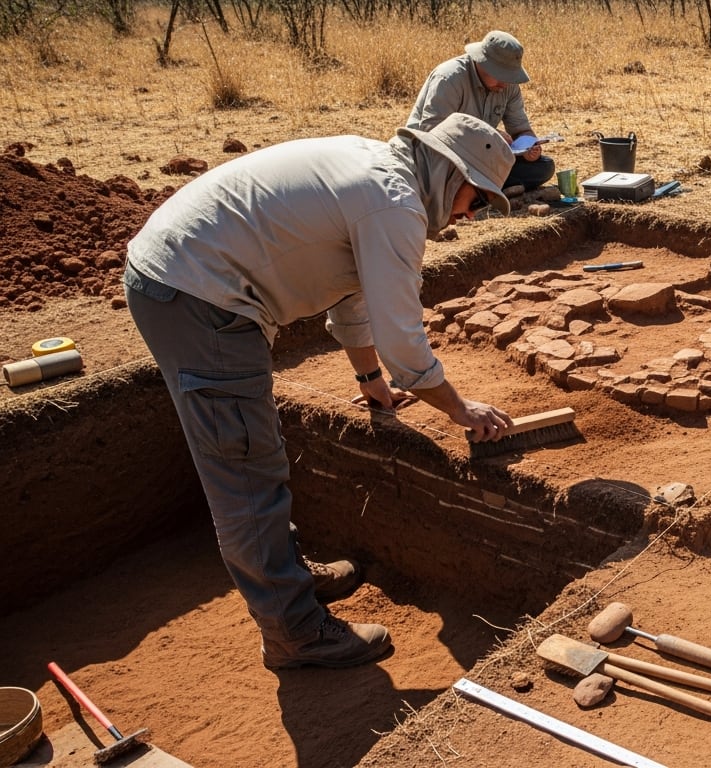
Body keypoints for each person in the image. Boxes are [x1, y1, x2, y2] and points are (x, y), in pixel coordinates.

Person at [123, 114, 517, 670]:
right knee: (245, 471)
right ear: (452, 174)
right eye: (476, 199)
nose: (471, 215)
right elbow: (404, 340)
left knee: (254, 454)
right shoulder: (394, 203)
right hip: (201, 296)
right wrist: (458, 407)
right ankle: (295, 633)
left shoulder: (379, 176)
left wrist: (370, 382)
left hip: (193, 277)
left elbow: (354, 294)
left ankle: (288, 577)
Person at [406, 30, 554, 193]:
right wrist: (488, 135)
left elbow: (521, 129)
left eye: (509, 76)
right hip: (438, 158)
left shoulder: (509, 86)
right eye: (501, 75)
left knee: (544, 166)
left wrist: (530, 148)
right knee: (442, 171)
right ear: (482, 62)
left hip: (479, 159)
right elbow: (432, 133)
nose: (505, 83)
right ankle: (484, 189)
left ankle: (475, 190)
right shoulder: (449, 78)